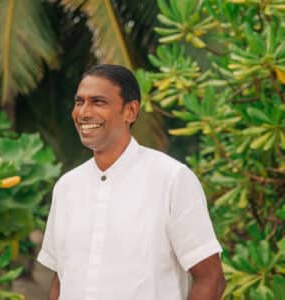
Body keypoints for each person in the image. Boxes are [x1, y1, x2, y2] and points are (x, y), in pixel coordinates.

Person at [37, 64, 226, 300]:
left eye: (98, 102)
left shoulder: (172, 179)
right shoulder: (67, 187)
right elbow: (61, 280)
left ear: (130, 111)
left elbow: (211, 279)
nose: (84, 112)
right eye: (79, 101)